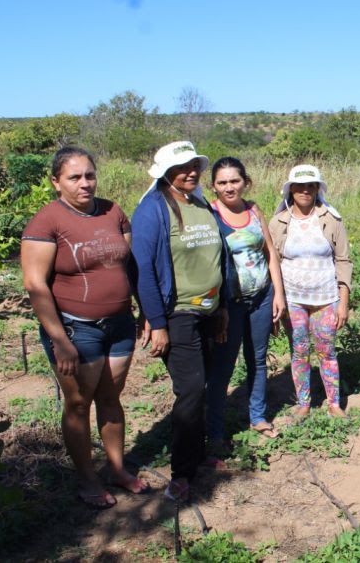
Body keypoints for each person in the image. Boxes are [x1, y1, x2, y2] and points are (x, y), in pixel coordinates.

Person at [21, 146, 148, 509]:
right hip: (77, 329)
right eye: (74, 177)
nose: (84, 184)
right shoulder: (45, 223)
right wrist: (60, 339)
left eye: (89, 175)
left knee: (110, 398)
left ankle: (117, 469)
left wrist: (145, 312)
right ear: (56, 182)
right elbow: (35, 284)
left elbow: (128, 266)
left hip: (120, 324)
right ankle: (87, 479)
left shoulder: (112, 211)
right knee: (79, 403)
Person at [131, 141, 228, 502]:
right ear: (165, 172)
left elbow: (218, 258)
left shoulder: (201, 202)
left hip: (208, 311)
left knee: (198, 388)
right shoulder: (152, 210)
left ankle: (197, 456)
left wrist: (221, 307)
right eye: (182, 167)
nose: (191, 172)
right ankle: (181, 473)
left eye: (194, 166)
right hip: (179, 314)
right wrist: (156, 322)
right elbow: (142, 272)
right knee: (189, 390)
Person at [206, 157, 286, 446]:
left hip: (262, 297)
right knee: (223, 367)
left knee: (258, 360)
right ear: (213, 186)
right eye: (222, 182)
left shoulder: (253, 210)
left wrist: (278, 293)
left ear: (245, 182)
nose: (229, 187)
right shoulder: (209, 214)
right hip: (229, 305)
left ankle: (258, 416)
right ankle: (214, 430)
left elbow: (270, 252)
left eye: (234, 181)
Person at [269, 165, 352, 418]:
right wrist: (276, 298)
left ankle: (334, 403)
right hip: (293, 298)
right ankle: (303, 403)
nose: (305, 191)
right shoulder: (278, 222)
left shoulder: (331, 219)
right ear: (290, 189)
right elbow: (272, 261)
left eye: (311, 186)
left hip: (325, 298)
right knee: (299, 351)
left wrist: (343, 301)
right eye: (299, 186)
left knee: (327, 351)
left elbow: (344, 260)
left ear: (318, 189)